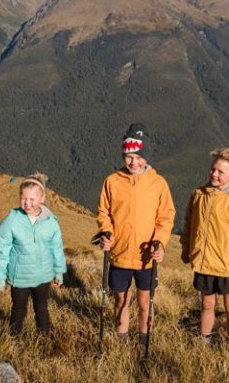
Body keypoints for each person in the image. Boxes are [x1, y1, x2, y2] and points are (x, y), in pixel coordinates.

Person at [96, 123, 176, 345]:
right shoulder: (112, 181)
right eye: (129, 156)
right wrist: (106, 231)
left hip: (146, 258)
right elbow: (103, 211)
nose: (134, 162)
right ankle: (122, 338)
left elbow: (166, 216)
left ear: (147, 157)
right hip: (120, 253)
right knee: (121, 300)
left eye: (139, 156)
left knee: (144, 302)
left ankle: (143, 338)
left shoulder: (158, 184)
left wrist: (160, 241)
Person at [180, 148, 229, 346]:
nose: (214, 174)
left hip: (226, 266)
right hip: (204, 263)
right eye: (213, 169)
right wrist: (186, 249)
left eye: (221, 172)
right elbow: (189, 224)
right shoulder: (198, 195)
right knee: (207, 303)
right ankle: (204, 339)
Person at [0, 173, 67, 335]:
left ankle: (44, 339)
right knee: (18, 311)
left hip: (43, 277)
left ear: (42, 198)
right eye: (24, 198)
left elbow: (56, 248)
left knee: (41, 309)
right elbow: (1, 251)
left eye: (32, 199)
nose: (27, 203)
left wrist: (59, 271)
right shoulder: (12, 220)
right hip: (20, 278)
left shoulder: (50, 222)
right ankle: (14, 341)